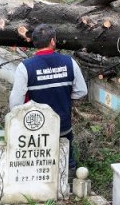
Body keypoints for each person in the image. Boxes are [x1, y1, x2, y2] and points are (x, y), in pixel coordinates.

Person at [8, 23, 87, 167]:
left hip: (35, 130)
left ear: (34, 42)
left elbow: (15, 103)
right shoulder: (70, 62)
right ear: (52, 41)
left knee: (39, 167)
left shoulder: (25, 67)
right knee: (65, 162)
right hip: (62, 125)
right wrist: (64, 98)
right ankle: (68, 183)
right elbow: (82, 91)